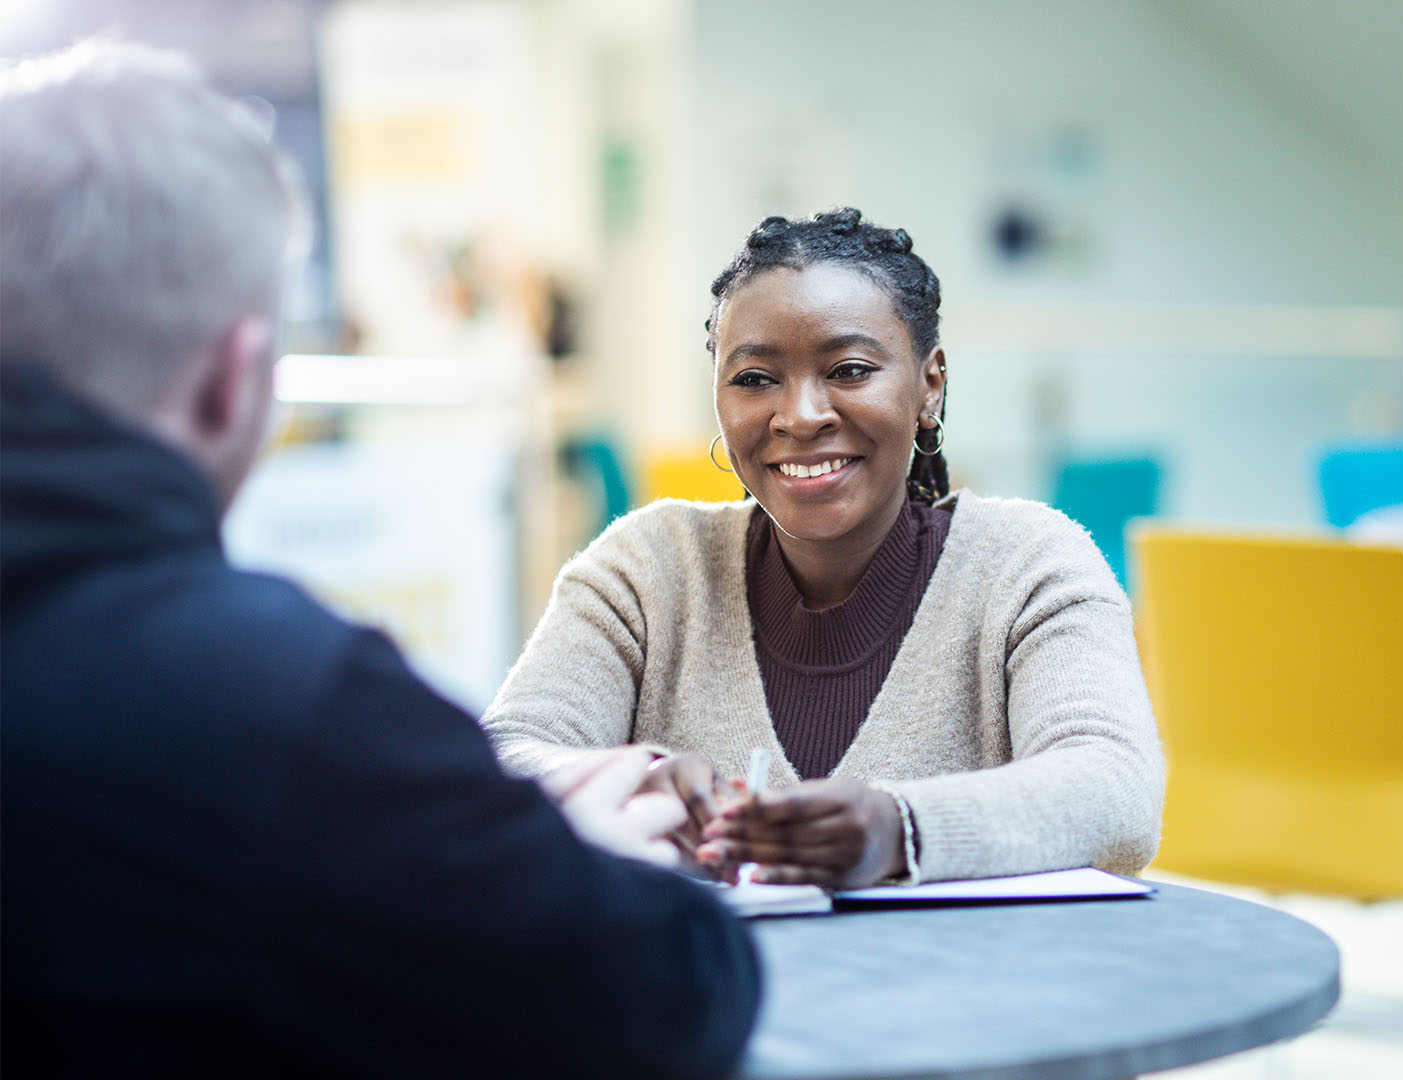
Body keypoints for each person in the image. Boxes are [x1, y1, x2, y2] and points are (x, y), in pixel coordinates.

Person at [0, 42, 758, 1078]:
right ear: (235, 381)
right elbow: (661, 995)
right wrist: (583, 864)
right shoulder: (275, 706)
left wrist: (490, 833)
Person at [484, 208, 1164, 890]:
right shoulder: (646, 569)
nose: (801, 415)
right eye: (754, 379)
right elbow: (502, 759)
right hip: (706, 994)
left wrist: (899, 828)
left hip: (962, 991)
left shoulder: (1031, 566)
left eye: (848, 369)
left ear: (930, 384)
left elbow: (1116, 791)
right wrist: (635, 781)